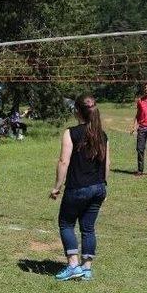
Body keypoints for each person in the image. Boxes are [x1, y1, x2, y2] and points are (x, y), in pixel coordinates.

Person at [49, 96, 109, 281]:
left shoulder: (71, 132)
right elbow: (107, 163)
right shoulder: (102, 135)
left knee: (66, 224)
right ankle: (87, 269)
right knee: (88, 227)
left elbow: (63, 161)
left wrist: (56, 187)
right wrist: (103, 185)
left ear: (77, 111)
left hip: (78, 188)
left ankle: (74, 265)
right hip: (99, 188)